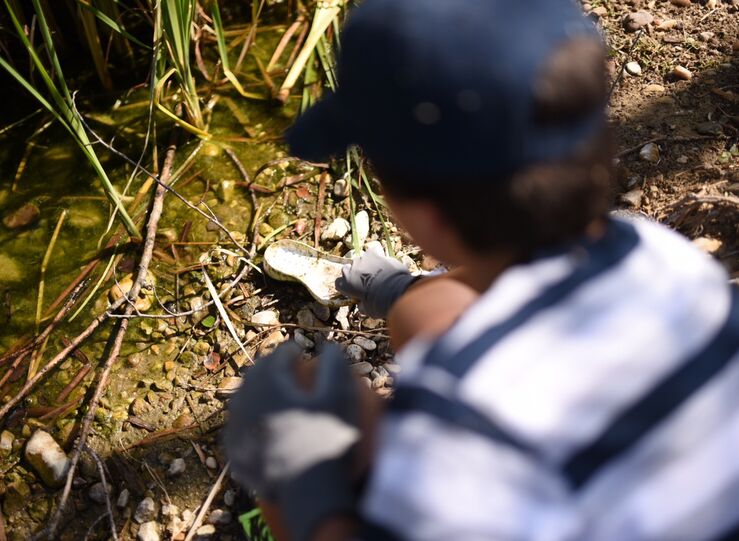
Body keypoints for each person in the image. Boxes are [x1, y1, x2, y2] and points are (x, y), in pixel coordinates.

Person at [225, 0, 739, 540]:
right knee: (420, 311)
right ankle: (395, 287)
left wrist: (300, 480)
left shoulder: (462, 429)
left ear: (421, 216)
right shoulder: (662, 256)